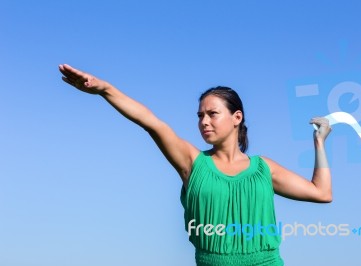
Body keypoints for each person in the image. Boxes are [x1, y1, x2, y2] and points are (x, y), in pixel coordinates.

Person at [59, 64, 332, 266]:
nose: (204, 121)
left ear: (237, 117)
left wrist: (319, 144)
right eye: (200, 115)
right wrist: (105, 89)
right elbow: (151, 122)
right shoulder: (193, 163)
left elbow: (321, 193)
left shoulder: (263, 170)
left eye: (213, 114)